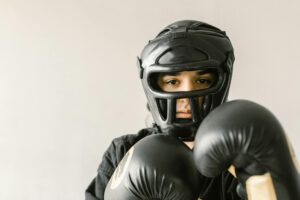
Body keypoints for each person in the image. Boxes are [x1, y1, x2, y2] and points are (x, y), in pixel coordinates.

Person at [85, 20, 242, 200]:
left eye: (202, 81)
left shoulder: (238, 160)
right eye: (172, 82)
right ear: (153, 85)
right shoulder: (123, 152)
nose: (186, 96)